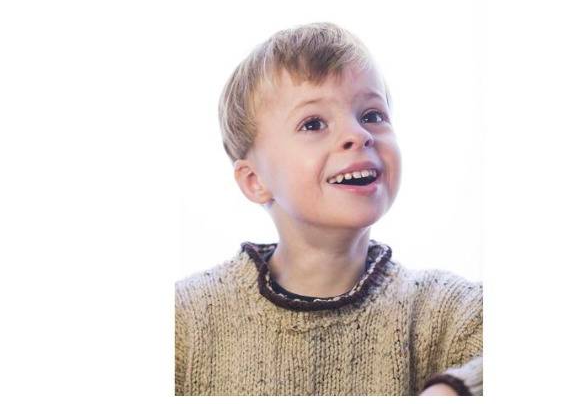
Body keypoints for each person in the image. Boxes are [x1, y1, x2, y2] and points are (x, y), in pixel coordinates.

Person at [175, 22, 482, 396]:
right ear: (255, 180)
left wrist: (459, 389)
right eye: (314, 123)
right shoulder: (186, 320)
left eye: (372, 115)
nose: (359, 134)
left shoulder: (446, 312)